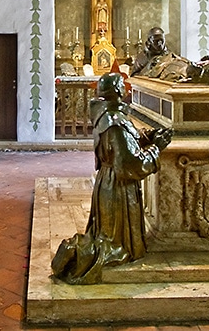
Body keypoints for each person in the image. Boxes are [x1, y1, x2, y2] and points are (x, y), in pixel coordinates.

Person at [52, 72, 172, 284]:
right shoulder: (114, 122)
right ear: (118, 92)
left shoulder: (107, 115)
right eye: (122, 86)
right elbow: (131, 164)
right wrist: (156, 148)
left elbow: (122, 145)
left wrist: (144, 138)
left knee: (107, 235)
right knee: (112, 244)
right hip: (117, 188)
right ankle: (77, 254)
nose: (126, 89)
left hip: (107, 182)